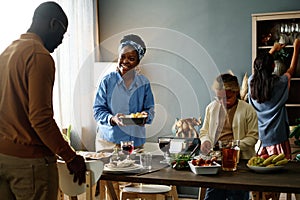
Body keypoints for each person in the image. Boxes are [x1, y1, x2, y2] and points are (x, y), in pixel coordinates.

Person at [0, 2, 86, 199]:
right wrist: (70, 156)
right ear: (53, 24)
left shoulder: (6, 53)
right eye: (62, 35)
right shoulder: (39, 55)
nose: (61, 42)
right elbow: (40, 118)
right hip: (29, 165)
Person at [199, 73, 258, 200]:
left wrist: (233, 146)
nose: (222, 102)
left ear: (236, 92)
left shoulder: (248, 110)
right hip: (216, 162)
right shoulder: (211, 108)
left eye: (227, 97)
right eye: (219, 98)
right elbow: (204, 131)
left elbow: (253, 137)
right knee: (212, 196)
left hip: (240, 163)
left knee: (237, 196)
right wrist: (206, 141)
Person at [93, 34, 155, 152]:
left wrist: (146, 116)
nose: (125, 61)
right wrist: (112, 118)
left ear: (138, 61)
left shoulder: (144, 83)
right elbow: (98, 110)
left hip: (135, 144)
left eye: (131, 59)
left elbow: (150, 109)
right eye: (122, 57)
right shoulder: (107, 81)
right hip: (109, 143)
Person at [248, 38, 300, 159]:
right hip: (278, 137)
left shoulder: (251, 82)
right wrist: (296, 49)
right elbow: (291, 70)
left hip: (259, 139)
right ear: (273, 66)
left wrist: (273, 49)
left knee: (261, 171)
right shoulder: (279, 83)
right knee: (280, 172)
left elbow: (259, 67)